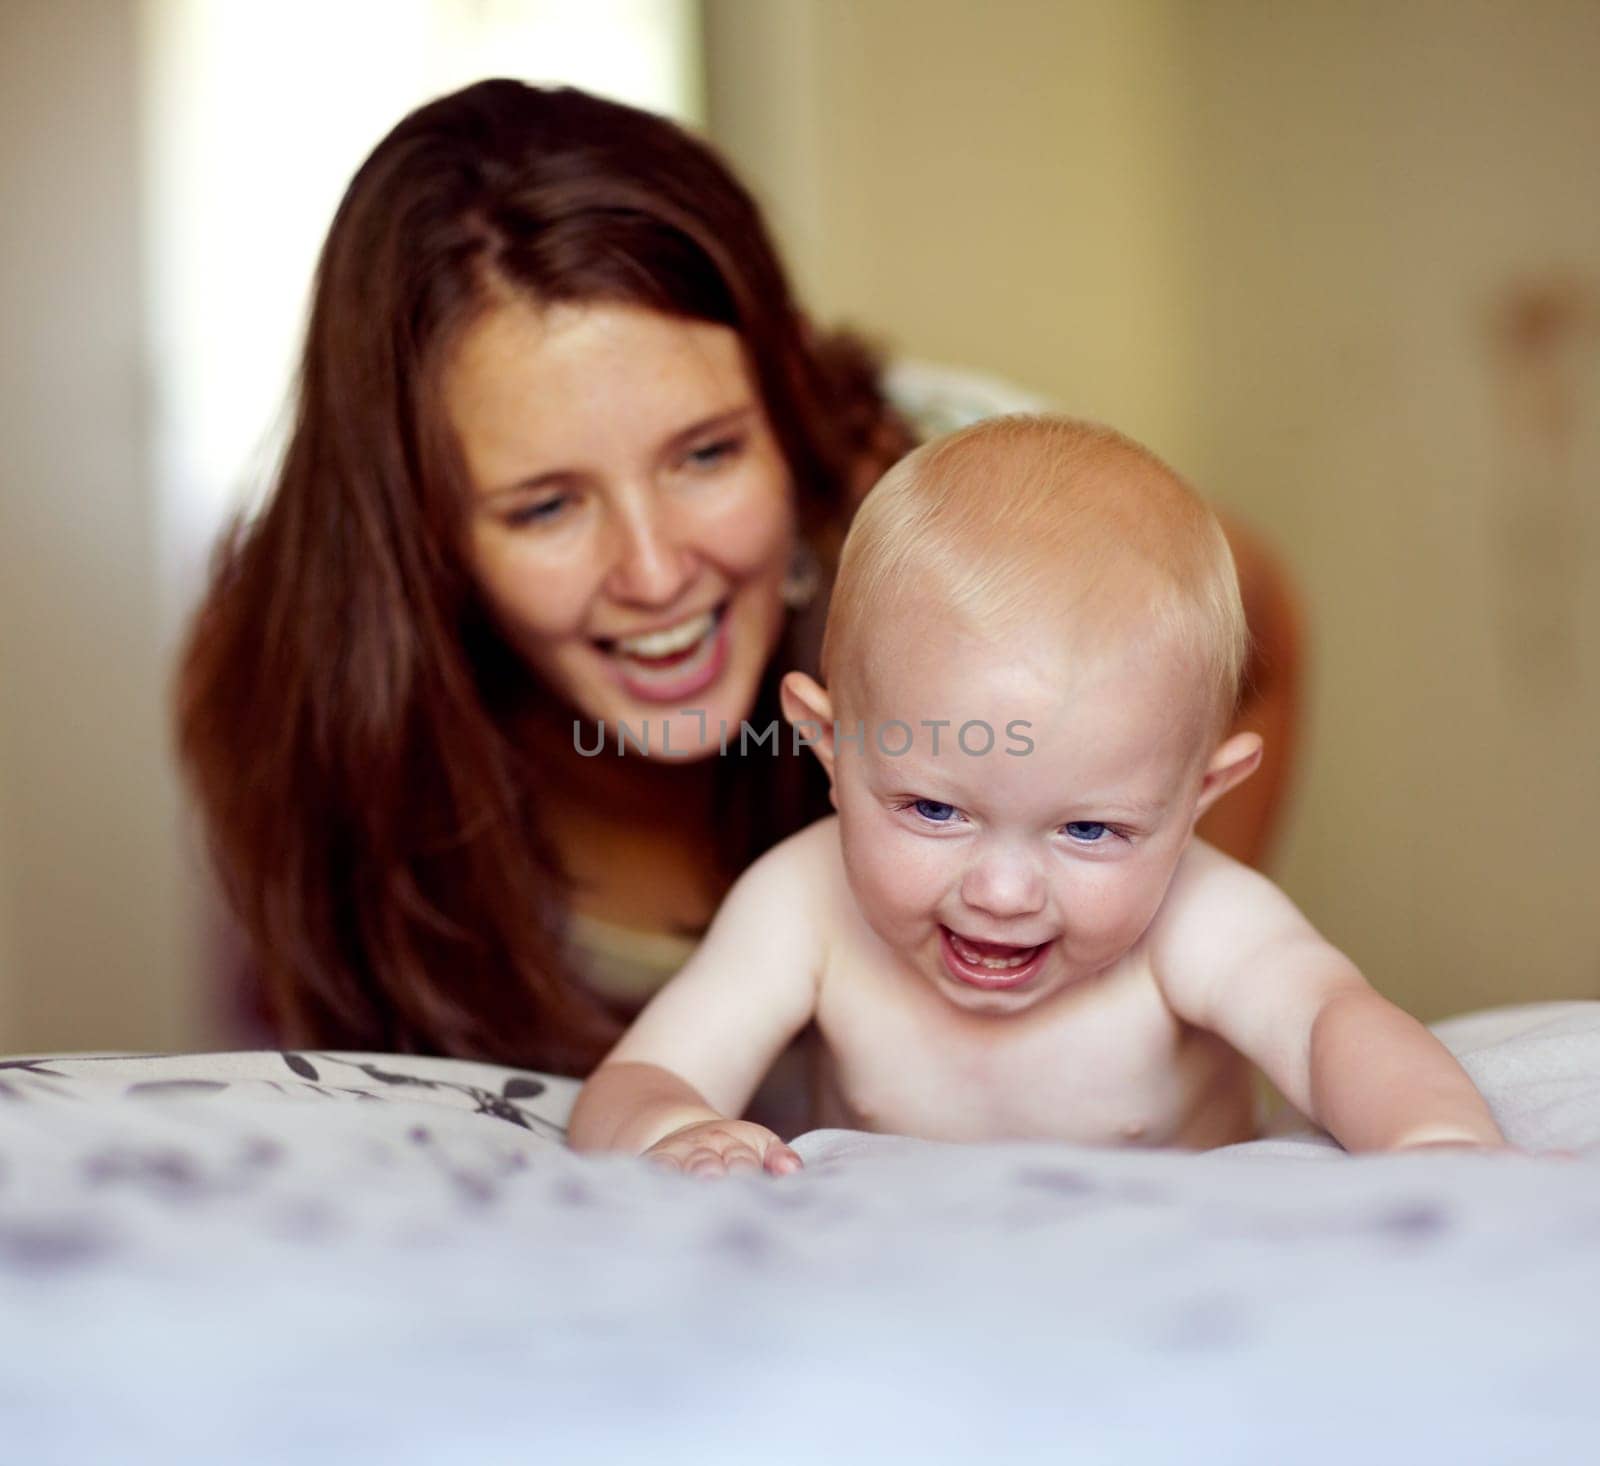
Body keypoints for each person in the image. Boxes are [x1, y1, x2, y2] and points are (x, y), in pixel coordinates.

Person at [177, 80, 1299, 1079]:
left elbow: (1257, 628)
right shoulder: (301, 688)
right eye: (546, 506)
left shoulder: (949, 512)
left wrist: (1132, 982)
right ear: (420, 538)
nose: (657, 572)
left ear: (786, 405)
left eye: (707, 453)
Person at [568, 416, 1504, 1172]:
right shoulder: (801, 903)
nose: (1004, 893)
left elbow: (1330, 1027)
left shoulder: (1201, 918)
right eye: (934, 810)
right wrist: (670, 1133)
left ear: (1198, 797)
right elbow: (642, 1076)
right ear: (827, 747)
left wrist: (1434, 1143)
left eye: (1092, 829)